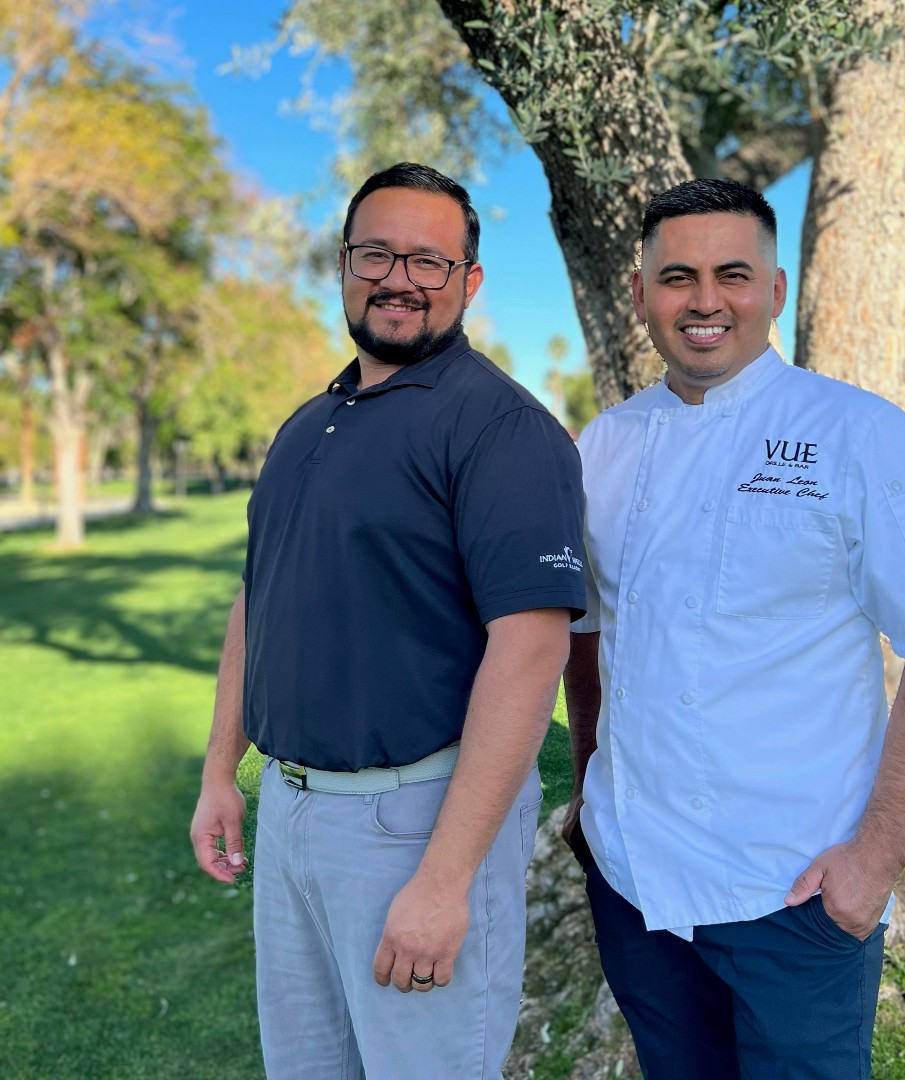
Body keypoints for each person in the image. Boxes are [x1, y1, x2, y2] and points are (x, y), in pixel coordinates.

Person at [562, 178, 905, 1080]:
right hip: (635, 883)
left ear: (774, 290)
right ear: (643, 293)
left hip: (794, 892)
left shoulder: (858, 435)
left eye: (733, 273)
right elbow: (587, 639)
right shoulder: (599, 448)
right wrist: (587, 796)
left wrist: (873, 863)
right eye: (676, 275)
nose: (704, 300)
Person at [190, 162, 586, 1080]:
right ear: (342, 264)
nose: (398, 277)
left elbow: (530, 656)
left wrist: (446, 881)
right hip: (287, 813)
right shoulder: (307, 424)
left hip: (413, 823)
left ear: (469, 282)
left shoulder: (501, 430)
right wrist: (222, 771)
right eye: (376, 252)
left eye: (428, 261)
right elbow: (262, 597)